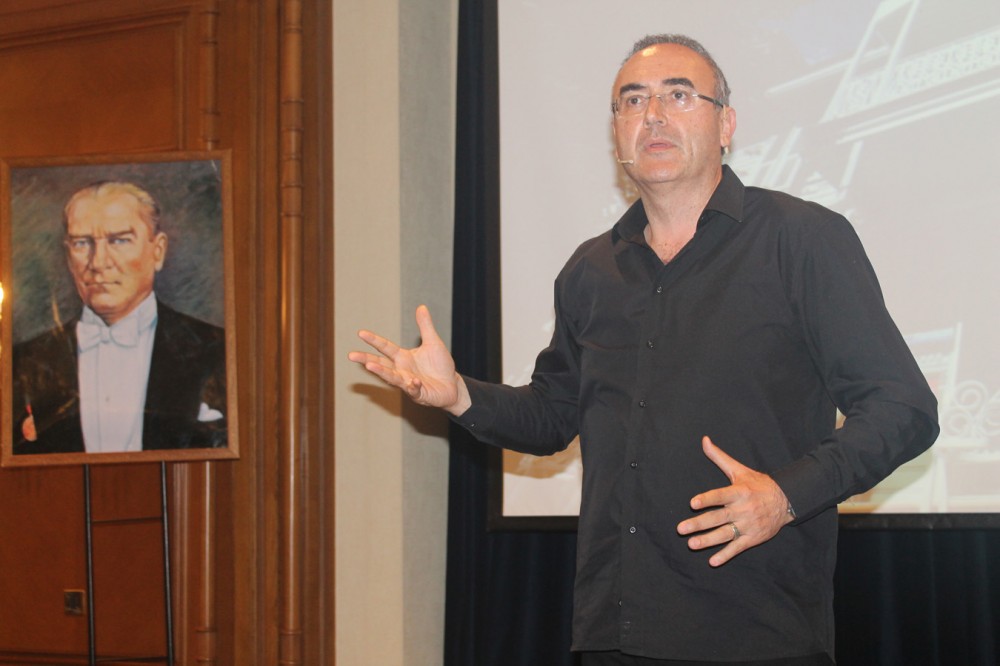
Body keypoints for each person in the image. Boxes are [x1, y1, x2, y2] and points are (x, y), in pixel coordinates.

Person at [349, 34, 939, 665]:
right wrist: (459, 396)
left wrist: (785, 495)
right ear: (617, 135)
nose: (653, 115)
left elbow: (903, 409)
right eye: (632, 101)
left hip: (754, 633)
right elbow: (553, 414)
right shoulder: (589, 271)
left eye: (678, 96)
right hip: (614, 630)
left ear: (725, 125)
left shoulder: (802, 240)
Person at [12, 181, 227, 455]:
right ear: (68, 257)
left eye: (119, 240)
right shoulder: (23, 363)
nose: (99, 262)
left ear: (158, 251)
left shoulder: (217, 350)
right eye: (82, 243)